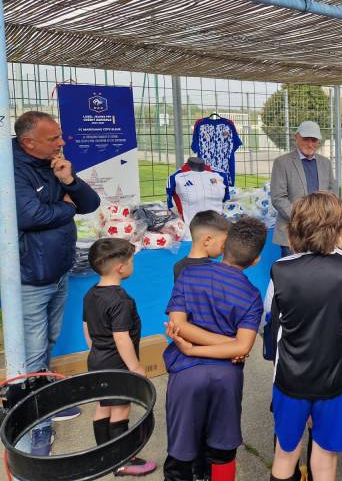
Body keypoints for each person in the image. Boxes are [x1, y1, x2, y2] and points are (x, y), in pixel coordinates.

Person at [13, 110, 101, 454]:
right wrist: (67, 209)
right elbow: (29, 216)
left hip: (58, 269)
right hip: (30, 277)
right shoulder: (12, 168)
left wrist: (69, 181)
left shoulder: (55, 162)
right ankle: (35, 426)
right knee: (32, 352)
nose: (62, 143)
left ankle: (45, 400)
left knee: (46, 342)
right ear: (28, 142)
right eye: (54, 138)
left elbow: (89, 204)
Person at [266, 192, 342, 481]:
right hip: (332, 379)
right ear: (338, 227)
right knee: (325, 461)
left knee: (285, 455)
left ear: (298, 227)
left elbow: (270, 323)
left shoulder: (280, 270)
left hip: (289, 377)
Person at [163, 217, 267, 481]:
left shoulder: (189, 274)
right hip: (226, 376)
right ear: (255, 261)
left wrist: (192, 349)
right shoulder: (251, 295)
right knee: (222, 450)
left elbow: (178, 325)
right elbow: (242, 346)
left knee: (181, 451)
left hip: (186, 375)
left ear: (224, 246)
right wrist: (231, 345)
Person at [83, 238, 157, 477]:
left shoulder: (91, 294)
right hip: (118, 364)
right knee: (120, 409)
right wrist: (135, 367)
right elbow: (122, 337)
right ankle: (122, 461)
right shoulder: (121, 300)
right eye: (132, 260)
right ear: (121, 267)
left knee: (102, 407)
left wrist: (96, 350)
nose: (133, 264)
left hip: (97, 360)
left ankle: (103, 457)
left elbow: (86, 326)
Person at [271, 121, 338, 257]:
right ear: (296, 137)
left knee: (320, 273)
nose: (310, 144)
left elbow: (333, 193)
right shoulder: (282, 163)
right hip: (293, 232)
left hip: (322, 231)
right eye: (306, 139)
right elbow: (278, 198)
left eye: (314, 140)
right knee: (292, 275)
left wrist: (326, 219)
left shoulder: (325, 163)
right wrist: (303, 220)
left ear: (319, 141)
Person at [173, 210, 230, 280]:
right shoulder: (215, 271)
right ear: (207, 240)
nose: (225, 247)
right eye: (224, 242)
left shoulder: (178, 267)